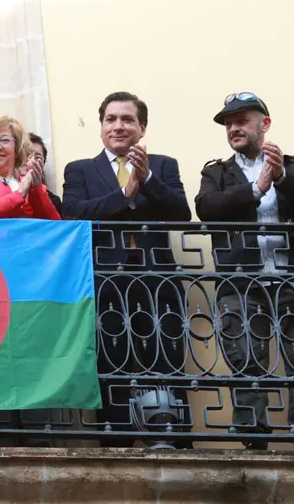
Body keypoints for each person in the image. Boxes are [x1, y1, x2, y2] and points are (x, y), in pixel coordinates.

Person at [61, 91, 192, 448]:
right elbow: (72, 214)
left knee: (166, 360)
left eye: (127, 119)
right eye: (111, 119)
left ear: (142, 127)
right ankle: (116, 443)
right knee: (110, 361)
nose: (118, 126)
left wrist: (147, 179)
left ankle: (174, 441)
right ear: (101, 126)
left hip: (157, 280)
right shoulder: (80, 169)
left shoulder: (163, 165)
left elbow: (181, 214)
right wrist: (125, 195)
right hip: (105, 283)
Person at [195, 92, 294, 451]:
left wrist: (281, 177)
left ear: (263, 124)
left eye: (242, 120)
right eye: (228, 123)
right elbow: (206, 207)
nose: (233, 128)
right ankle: (253, 441)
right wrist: (256, 189)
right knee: (246, 356)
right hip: (242, 279)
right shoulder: (216, 172)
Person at [27, 132, 63, 215]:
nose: (32, 161)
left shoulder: (53, 200)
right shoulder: (6, 190)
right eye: (26, 155)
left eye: (38, 158)